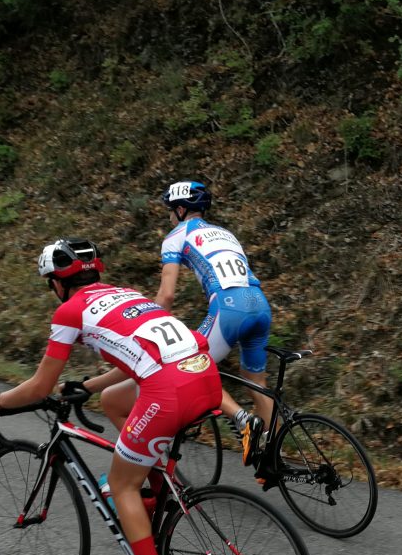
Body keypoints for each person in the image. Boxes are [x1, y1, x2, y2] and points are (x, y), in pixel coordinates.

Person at [0, 238, 222, 555]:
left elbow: (40, 387)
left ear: (57, 282)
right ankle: (158, 500)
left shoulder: (70, 311)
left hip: (167, 390)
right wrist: (88, 387)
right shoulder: (126, 294)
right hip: (204, 376)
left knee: (121, 485)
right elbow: (136, 356)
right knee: (124, 421)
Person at [100, 180, 273, 467]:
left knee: (193, 368)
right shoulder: (226, 233)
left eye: (171, 210)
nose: (170, 216)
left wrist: (150, 327)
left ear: (181, 210)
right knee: (257, 382)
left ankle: (243, 420)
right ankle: (271, 456)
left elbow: (166, 294)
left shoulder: (177, 236)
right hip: (260, 304)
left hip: (229, 308)